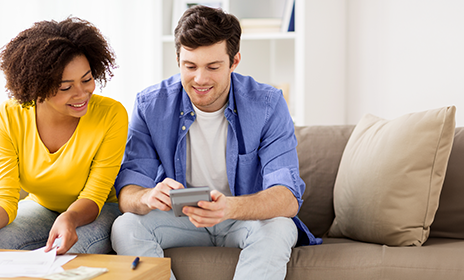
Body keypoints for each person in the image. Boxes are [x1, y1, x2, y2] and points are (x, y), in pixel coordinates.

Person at [110, 5, 321, 279]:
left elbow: (287, 197)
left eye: (213, 66)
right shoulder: (150, 106)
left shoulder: (268, 105)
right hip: (181, 220)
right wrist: (147, 196)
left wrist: (228, 208)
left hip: (242, 218)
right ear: (177, 59)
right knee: (125, 227)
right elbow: (128, 194)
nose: (200, 79)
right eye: (190, 66)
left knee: (280, 227)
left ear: (234, 62)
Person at [0, 17, 127, 256]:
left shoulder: (111, 114)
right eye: (66, 87)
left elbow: (94, 195)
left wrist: (70, 218)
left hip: (98, 210)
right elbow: (4, 200)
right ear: (38, 87)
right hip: (41, 208)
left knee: (67, 252)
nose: (82, 93)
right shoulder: (9, 116)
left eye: (87, 79)